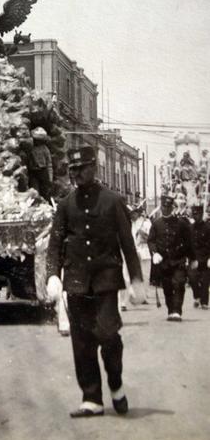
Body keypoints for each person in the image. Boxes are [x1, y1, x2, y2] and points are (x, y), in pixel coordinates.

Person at [46, 145, 145, 418]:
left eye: (82, 169)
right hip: (76, 283)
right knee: (82, 341)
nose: (76, 174)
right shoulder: (66, 205)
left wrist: (136, 278)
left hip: (105, 282)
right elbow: (55, 244)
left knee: (109, 334)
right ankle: (91, 398)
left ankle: (116, 383)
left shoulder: (112, 201)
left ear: (94, 168)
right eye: (72, 170)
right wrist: (53, 275)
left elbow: (127, 243)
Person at [147, 193, 196, 321]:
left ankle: (177, 311)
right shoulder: (156, 224)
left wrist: (193, 258)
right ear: (161, 207)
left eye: (168, 207)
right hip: (164, 262)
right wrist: (154, 252)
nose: (166, 209)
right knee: (167, 286)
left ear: (172, 208)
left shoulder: (181, 224)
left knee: (179, 284)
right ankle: (170, 310)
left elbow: (189, 241)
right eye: (164, 207)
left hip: (178, 260)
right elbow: (151, 240)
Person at [187, 203, 210, 310]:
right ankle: (197, 296)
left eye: (198, 214)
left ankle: (204, 302)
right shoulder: (189, 228)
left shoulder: (208, 227)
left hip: (205, 258)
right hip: (193, 258)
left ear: (201, 214)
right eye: (194, 214)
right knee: (192, 279)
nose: (196, 216)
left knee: (205, 281)